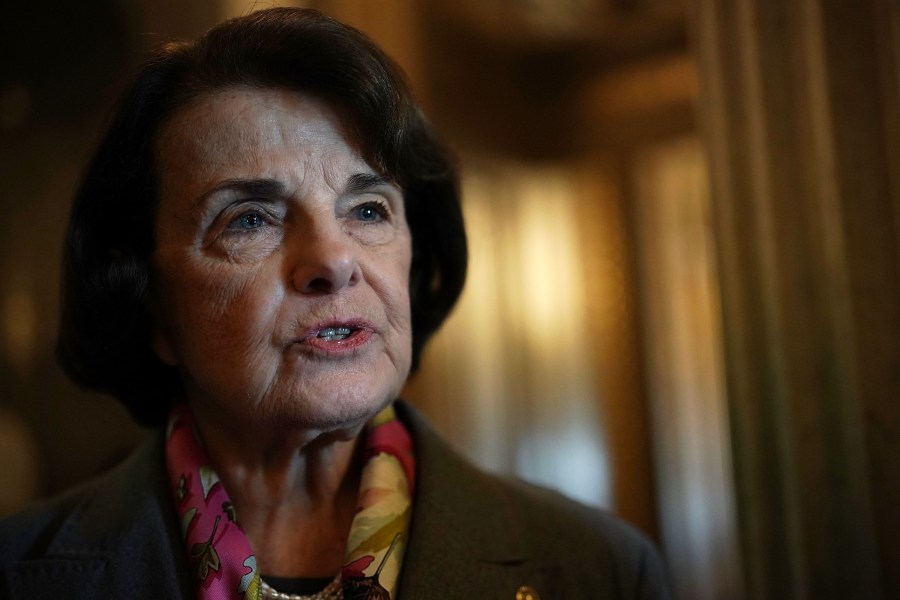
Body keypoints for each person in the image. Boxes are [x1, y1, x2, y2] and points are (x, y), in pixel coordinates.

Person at [0, 8, 669, 599]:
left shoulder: (597, 569)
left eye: (369, 209)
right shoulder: (17, 573)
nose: (334, 259)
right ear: (147, 301)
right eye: (250, 219)